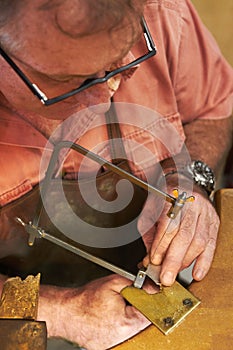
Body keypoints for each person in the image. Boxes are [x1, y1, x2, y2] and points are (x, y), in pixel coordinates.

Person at [0, 0, 232, 349]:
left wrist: (189, 179)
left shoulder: (160, 13)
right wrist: (56, 310)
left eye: (120, 65)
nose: (102, 104)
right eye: (67, 82)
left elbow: (212, 108)